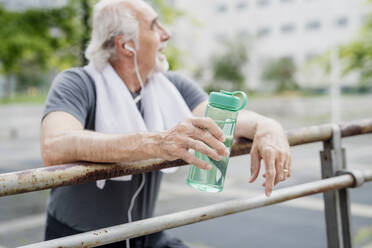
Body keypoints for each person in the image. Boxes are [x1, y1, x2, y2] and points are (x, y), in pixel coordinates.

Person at [40, 0, 292, 247]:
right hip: (79, 238)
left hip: (143, 232)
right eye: (154, 26)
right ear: (126, 45)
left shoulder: (171, 85)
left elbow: (226, 120)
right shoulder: (76, 82)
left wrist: (268, 127)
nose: (167, 34)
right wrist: (157, 142)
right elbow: (54, 145)